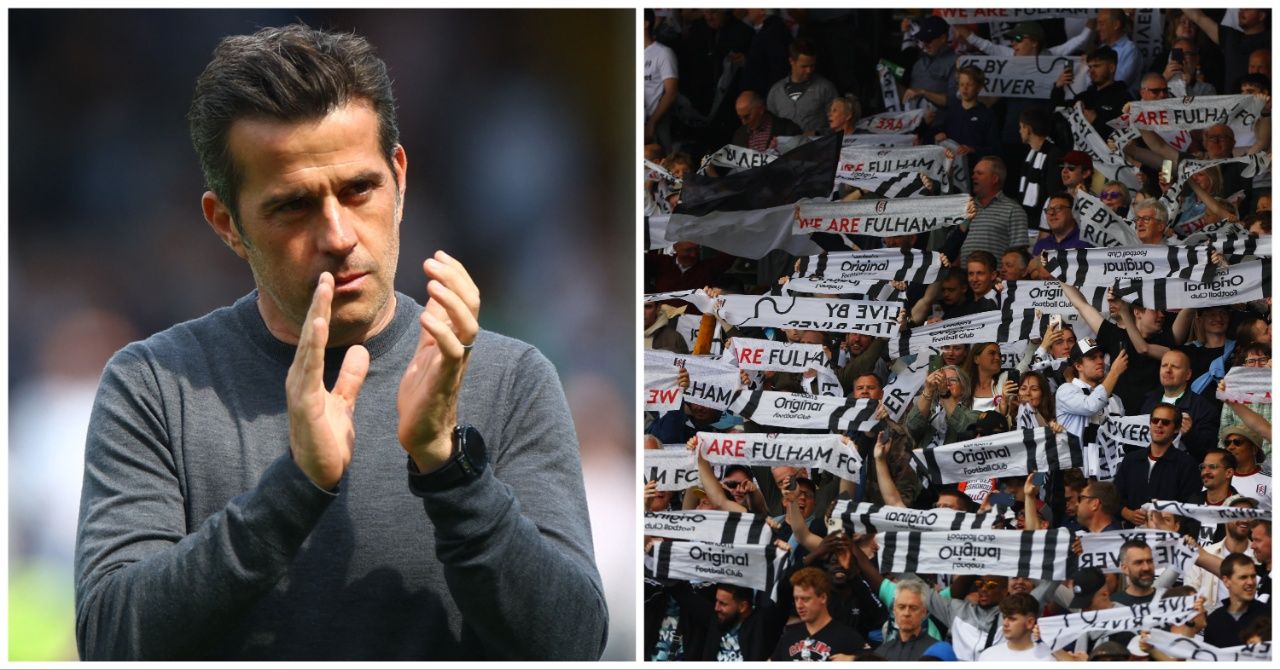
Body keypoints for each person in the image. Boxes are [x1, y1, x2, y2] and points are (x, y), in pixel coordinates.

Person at [74, 24, 606, 661]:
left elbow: (573, 645)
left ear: (400, 178)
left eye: (359, 190)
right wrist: (295, 487)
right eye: (293, 206)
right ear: (227, 225)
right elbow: (111, 641)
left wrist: (448, 465)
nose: (338, 234)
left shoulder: (508, 377)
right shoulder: (156, 386)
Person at [1112, 403, 1201, 526]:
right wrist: (1128, 513)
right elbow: (1114, 498)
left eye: (1165, 422)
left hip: (1168, 537)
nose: (1159, 425)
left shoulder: (1187, 464)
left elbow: (1191, 506)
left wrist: (1164, 519)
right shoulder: (1130, 460)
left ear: (1176, 429)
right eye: (1155, 420)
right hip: (1132, 537)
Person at [1139, 350, 1220, 462]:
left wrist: (1190, 434)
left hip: (1182, 474)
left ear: (1188, 375)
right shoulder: (1148, 402)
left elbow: (1209, 453)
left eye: (1175, 367)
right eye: (1164, 365)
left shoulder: (1204, 408)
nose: (1168, 370)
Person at [769, 567, 867, 661]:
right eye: (796, 599)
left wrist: (854, 660)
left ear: (823, 598)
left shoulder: (848, 637)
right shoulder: (788, 637)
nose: (799, 605)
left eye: (805, 599)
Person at [957, 157, 1029, 266]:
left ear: (995, 179)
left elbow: (1019, 255)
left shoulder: (1013, 210)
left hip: (996, 280)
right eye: (973, 173)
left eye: (979, 173)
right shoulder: (964, 208)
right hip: (964, 279)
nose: (973, 176)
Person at [1054, 338, 1127, 444]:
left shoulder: (1115, 399)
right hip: (1080, 460)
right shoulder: (1065, 391)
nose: (1100, 361)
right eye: (1093, 358)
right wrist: (1114, 372)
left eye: (1101, 357)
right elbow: (1091, 406)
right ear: (1078, 366)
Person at [766, 39, 838, 135]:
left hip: (818, 146)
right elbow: (769, 128)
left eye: (812, 66)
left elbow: (840, 124)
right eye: (804, 66)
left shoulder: (825, 88)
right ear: (791, 61)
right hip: (786, 148)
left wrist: (818, 133)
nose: (809, 70)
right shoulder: (775, 92)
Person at [1203, 553, 1268, 647]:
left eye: (1253, 576)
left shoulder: (1270, 616)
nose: (1250, 582)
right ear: (1226, 581)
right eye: (1243, 577)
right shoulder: (1214, 620)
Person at [874, 577, 940, 661]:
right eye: (901, 607)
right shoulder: (881, 654)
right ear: (894, 610)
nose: (906, 613)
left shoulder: (937, 653)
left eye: (913, 608)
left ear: (924, 612)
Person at [976, 593, 1053, 661]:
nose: (1005, 623)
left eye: (1012, 619)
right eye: (1004, 617)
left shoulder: (1047, 659)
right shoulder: (988, 655)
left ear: (1030, 622)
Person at [645, 9, 680, 150]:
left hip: (657, 126)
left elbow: (671, 92)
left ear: (645, 24)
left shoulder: (663, 53)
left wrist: (652, 123)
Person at [730, 90, 801, 152]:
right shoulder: (739, 136)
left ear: (761, 109)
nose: (744, 122)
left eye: (747, 116)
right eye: (740, 117)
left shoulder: (787, 128)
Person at [1109, 540, 1158, 606]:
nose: (1146, 568)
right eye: (1139, 562)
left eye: (1149, 561)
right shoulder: (1112, 604)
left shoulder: (1170, 598)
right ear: (1125, 569)